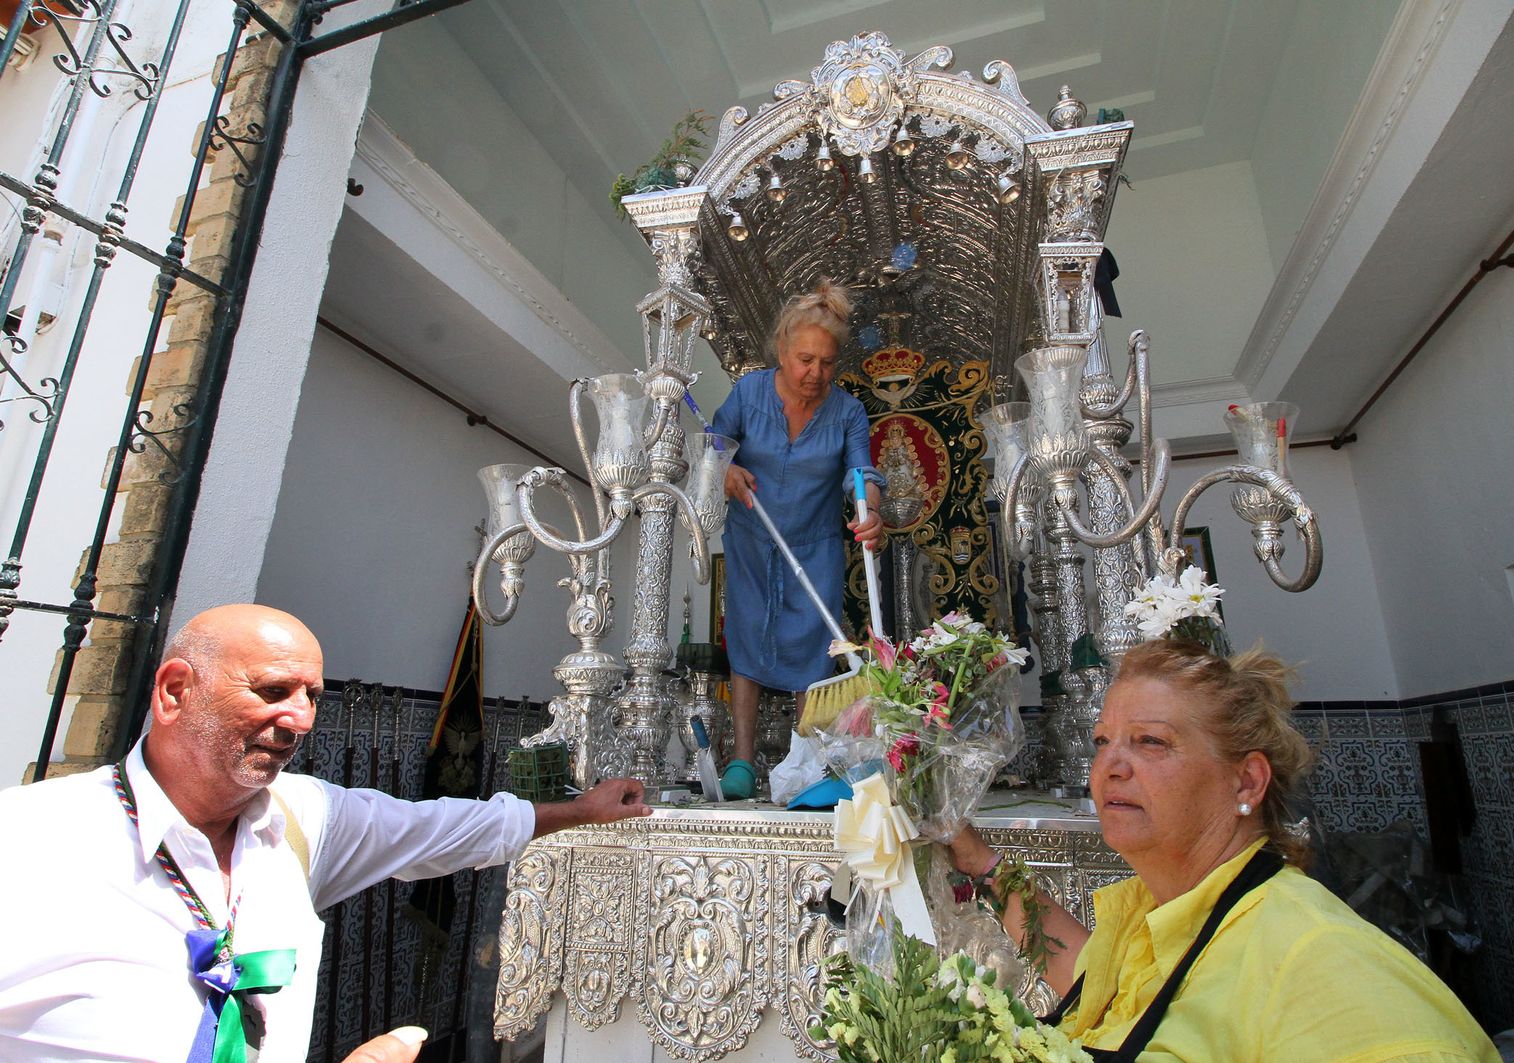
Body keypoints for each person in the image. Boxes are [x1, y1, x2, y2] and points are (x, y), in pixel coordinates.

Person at [0, 604, 651, 1062]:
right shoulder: (33, 839)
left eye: (311, 694)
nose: (300, 717)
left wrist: (578, 812)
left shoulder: (300, 816)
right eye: (274, 689)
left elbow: (437, 828)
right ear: (174, 692)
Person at [947, 639, 1497, 1061]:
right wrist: (983, 864)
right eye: (1103, 741)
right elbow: (1086, 976)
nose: (1110, 766)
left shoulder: (1321, 962)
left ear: (1246, 783)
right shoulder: (1153, 913)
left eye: (1151, 741)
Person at [710, 279, 885, 800]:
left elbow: (863, 473)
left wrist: (870, 510)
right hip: (751, 535)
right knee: (747, 636)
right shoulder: (748, 392)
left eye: (828, 363)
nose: (816, 373)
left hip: (816, 543)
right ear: (782, 352)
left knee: (814, 647)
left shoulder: (848, 411)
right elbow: (715, 445)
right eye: (806, 360)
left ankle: (804, 761)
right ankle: (742, 760)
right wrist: (725, 470)